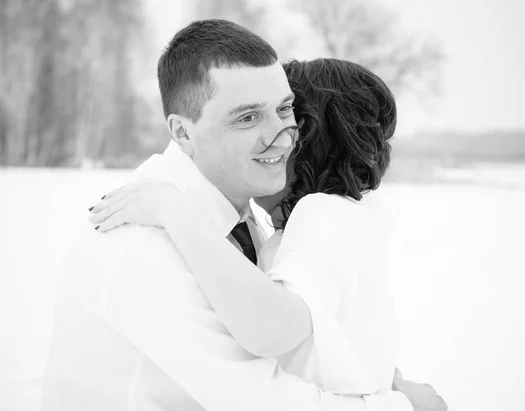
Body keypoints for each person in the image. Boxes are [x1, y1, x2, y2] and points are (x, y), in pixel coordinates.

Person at [41, 19, 426, 411]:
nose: (282, 134)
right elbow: (259, 400)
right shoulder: (141, 241)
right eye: (247, 117)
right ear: (183, 133)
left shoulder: (249, 216)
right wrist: (404, 407)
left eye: (285, 109)